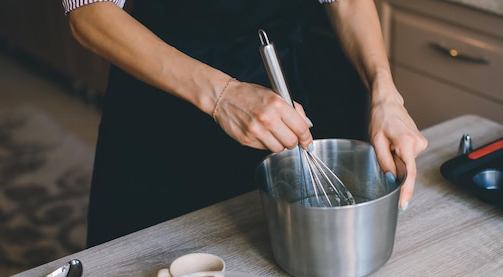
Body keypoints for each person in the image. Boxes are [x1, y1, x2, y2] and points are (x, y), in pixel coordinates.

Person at [63, 0, 428, 247]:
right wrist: (221, 95)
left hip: (283, 96)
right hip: (162, 111)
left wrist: (385, 95)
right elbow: (89, 12)